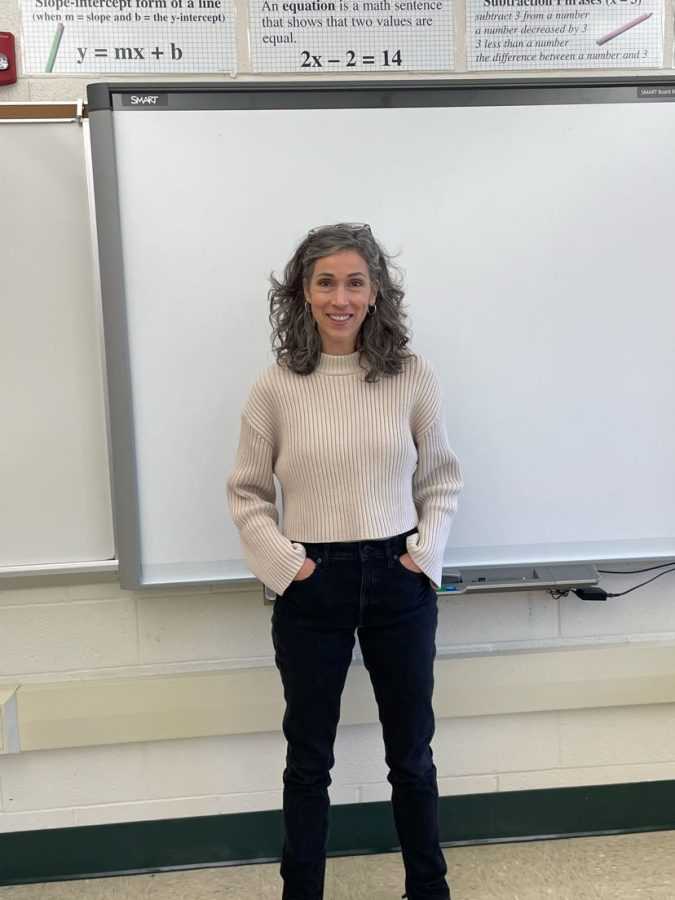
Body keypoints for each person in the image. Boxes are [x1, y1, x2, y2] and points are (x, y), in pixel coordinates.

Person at [227, 223, 462, 900]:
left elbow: (440, 478)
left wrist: (422, 554)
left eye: (354, 281)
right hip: (312, 584)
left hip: (398, 578)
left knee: (411, 758)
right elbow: (245, 491)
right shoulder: (274, 386)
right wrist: (288, 565)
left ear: (374, 291)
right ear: (301, 293)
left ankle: (428, 889)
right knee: (308, 762)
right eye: (325, 281)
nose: (340, 297)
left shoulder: (410, 375)